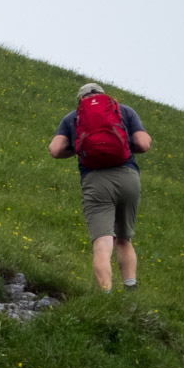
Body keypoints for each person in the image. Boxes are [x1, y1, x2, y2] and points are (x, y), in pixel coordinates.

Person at [49, 82, 152, 291]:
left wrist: (77, 148)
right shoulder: (124, 111)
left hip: (95, 180)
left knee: (103, 243)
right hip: (127, 177)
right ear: (105, 97)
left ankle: (106, 295)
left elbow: (55, 150)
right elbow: (143, 144)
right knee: (124, 239)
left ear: (80, 99)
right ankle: (130, 289)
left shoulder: (72, 118)